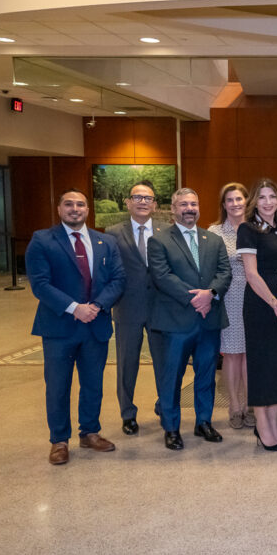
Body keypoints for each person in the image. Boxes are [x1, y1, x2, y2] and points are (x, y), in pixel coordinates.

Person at [26, 189, 126, 465]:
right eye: (68, 204)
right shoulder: (42, 240)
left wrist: (96, 306)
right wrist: (75, 308)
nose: (75, 209)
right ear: (59, 209)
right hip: (59, 326)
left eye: (80, 204)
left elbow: (118, 278)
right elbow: (40, 284)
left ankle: (90, 432)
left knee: (93, 384)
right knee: (58, 386)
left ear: (87, 210)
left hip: (96, 324)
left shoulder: (105, 241)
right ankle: (59, 440)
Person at [147, 187, 232, 451]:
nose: (189, 209)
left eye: (193, 204)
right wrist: (197, 299)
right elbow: (162, 276)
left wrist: (211, 294)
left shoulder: (213, 239)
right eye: (183, 204)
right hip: (175, 322)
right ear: (173, 210)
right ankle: (171, 427)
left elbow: (224, 272)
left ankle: (203, 422)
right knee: (172, 377)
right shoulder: (159, 240)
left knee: (205, 375)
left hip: (209, 321)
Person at [237, 178, 277, 452]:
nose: (268, 202)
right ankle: (263, 428)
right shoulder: (248, 229)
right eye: (262, 197)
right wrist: (276, 306)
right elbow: (251, 274)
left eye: (272, 196)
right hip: (263, 307)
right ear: (254, 202)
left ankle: (275, 424)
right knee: (263, 368)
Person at [105, 181, 167, 436]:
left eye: (148, 198)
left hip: (160, 306)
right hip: (127, 307)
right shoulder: (112, 232)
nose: (143, 202)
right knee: (127, 363)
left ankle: (165, 407)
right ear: (128, 202)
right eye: (137, 197)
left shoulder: (167, 231)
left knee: (164, 361)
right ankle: (128, 413)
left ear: (154, 204)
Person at [207, 182, 252, 430]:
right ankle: (234, 406)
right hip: (229, 298)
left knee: (251, 355)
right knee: (233, 355)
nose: (235, 204)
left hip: (255, 297)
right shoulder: (214, 232)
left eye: (239, 199)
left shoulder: (256, 228)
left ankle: (250, 405)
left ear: (247, 201)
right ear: (224, 205)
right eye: (230, 200)